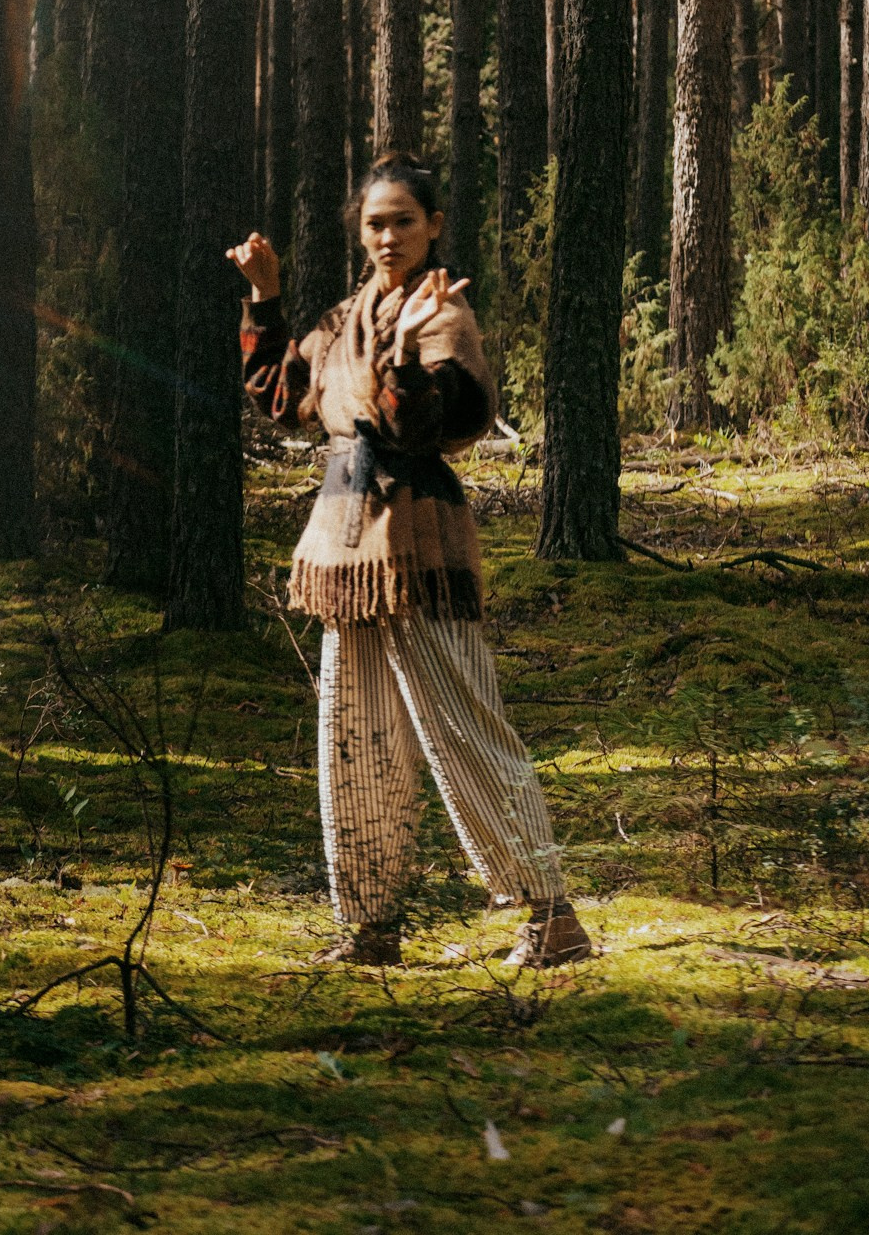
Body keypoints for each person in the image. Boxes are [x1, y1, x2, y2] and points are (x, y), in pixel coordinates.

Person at [229, 154, 595, 971]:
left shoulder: (444, 318)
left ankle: (552, 915)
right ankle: (371, 927)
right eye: (374, 223)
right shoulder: (340, 318)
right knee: (353, 738)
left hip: (419, 542)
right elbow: (281, 400)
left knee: (464, 723)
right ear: (360, 234)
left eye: (403, 221)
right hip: (342, 546)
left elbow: (418, 430)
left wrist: (399, 349)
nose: (387, 236)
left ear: (433, 228)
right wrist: (264, 294)